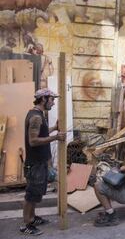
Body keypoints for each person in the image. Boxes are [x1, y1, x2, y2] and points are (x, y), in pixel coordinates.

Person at [20, 88, 66, 236]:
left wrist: (53, 129)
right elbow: (33, 141)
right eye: (52, 99)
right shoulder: (36, 117)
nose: (53, 103)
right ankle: (26, 224)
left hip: (39, 163)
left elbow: (42, 133)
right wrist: (56, 137)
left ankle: (32, 218)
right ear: (43, 99)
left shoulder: (39, 115)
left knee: (36, 194)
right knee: (31, 195)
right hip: (34, 164)